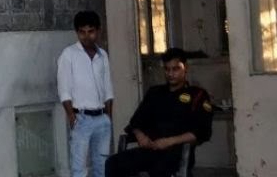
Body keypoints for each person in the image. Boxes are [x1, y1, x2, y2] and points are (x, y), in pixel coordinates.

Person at [104, 47, 213, 177]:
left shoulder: (197, 95)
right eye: (167, 69)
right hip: (150, 150)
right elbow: (136, 122)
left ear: (186, 68)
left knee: (160, 169)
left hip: (176, 152)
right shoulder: (155, 93)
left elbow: (201, 132)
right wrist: (140, 136)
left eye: (175, 69)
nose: (170, 74)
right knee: (113, 163)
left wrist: (169, 141)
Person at [57, 10, 113, 177]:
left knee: (102, 166)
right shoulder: (69, 55)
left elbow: (108, 88)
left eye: (91, 31)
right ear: (77, 32)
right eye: (82, 32)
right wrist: (72, 117)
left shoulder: (103, 56)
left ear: (98, 31)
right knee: (79, 168)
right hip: (81, 118)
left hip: (102, 118)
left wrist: (108, 116)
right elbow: (64, 90)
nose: (87, 36)